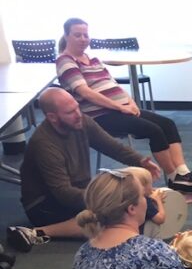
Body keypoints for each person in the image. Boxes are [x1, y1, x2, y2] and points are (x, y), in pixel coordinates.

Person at [56, 18, 192, 192]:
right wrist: (120, 107)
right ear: (67, 36)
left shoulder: (93, 60)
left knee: (167, 124)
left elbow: (113, 85)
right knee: (154, 130)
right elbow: (86, 92)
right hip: (100, 116)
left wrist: (130, 102)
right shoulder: (65, 61)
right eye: (78, 35)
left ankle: (183, 173)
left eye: (86, 34)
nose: (83, 38)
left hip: (121, 109)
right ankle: (175, 178)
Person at [9, 87, 160, 250]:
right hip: (44, 205)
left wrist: (141, 161)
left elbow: (112, 147)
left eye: (77, 107)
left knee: (123, 205)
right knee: (112, 216)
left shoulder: (81, 121)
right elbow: (63, 193)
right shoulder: (44, 144)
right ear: (52, 117)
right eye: (70, 112)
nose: (78, 114)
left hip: (77, 191)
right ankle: (36, 232)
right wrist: (105, 200)